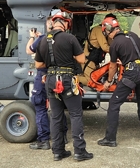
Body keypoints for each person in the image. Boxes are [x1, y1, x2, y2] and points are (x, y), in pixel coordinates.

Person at [35, 12, 93, 161]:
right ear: (66, 24)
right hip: (67, 79)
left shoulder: (42, 41)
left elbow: (38, 64)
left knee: (55, 116)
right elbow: (81, 59)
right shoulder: (70, 38)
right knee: (75, 114)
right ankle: (79, 151)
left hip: (50, 80)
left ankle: (58, 151)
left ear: (53, 23)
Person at [97, 17, 140, 147]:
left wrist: (109, 82)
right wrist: (126, 61)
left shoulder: (115, 44)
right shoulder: (133, 35)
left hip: (131, 75)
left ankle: (110, 138)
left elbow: (112, 67)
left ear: (108, 30)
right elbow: (137, 55)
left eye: (106, 32)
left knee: (114, 104)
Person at [26, 16, 69, 150]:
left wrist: (33, 37)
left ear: (50, 25)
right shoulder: (65, 39)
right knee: (59, 107)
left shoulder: (42, 39)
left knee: (40, 107)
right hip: (57, 77)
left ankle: (44, 140)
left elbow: (29, 50)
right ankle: (62, 137)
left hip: (43, 76)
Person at [77, 14, 112, 86]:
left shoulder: (105, 32)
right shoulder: (99, 30)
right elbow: (105, 47)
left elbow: (110, 44)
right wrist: (119, 51)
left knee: (96, 78)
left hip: (93, 61)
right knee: (90, 81)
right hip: (89, 60)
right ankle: (72, 78)